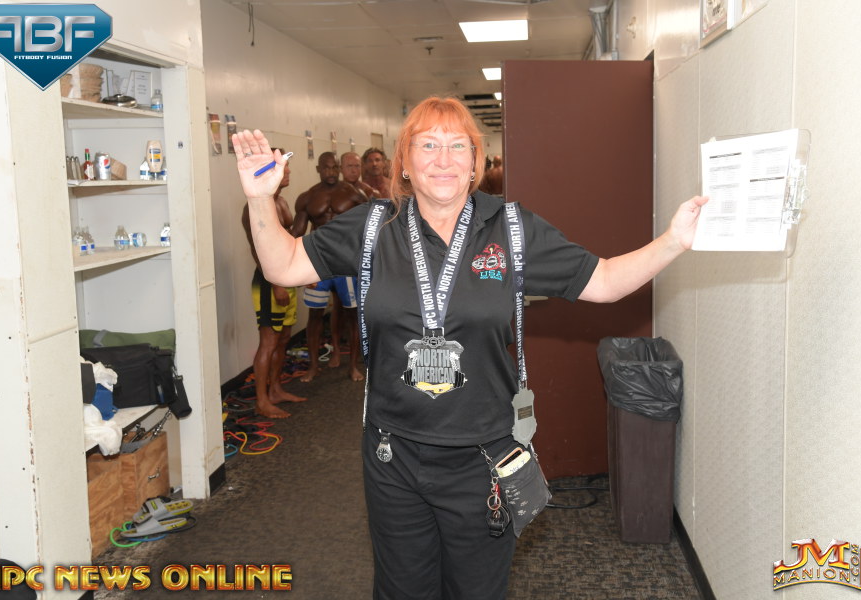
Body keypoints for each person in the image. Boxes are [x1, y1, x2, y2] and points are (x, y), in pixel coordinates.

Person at [233, 96, 707, 600]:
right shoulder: (374, 226)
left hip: (484, 457)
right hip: (393, 454)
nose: (444, 159)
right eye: (428, 146)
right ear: (405, 161)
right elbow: (283, 265)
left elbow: (606, 280)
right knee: (401, 590)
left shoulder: (512, 228)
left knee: (476, 591)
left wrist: (673, 241)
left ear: (476, 162)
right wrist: (260, 199)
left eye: (458, 146)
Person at [291, 151, 367, 382]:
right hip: (318, 262)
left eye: (335, 167)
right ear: (318, 169)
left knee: (352, 314)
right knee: (315, 315)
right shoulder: (307, 197)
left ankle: (353, 366)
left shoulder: (354, 194)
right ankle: (314, 366)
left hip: (346, 261)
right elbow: (297, 233)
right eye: (326, 168)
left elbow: (369, 225)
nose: (331, 172)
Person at [241, 148, 306, 418]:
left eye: (287, 167)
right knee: (268, 341)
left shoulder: (282, 201)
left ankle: (275, 389)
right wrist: (277, 284)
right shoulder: (256, 206)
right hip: (269, 282)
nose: (288, 171)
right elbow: (258, 250)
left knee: (284, 338)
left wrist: (301, 273)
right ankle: (261, 400)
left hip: (284, 278)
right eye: (283, 167)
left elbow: (288, 241)